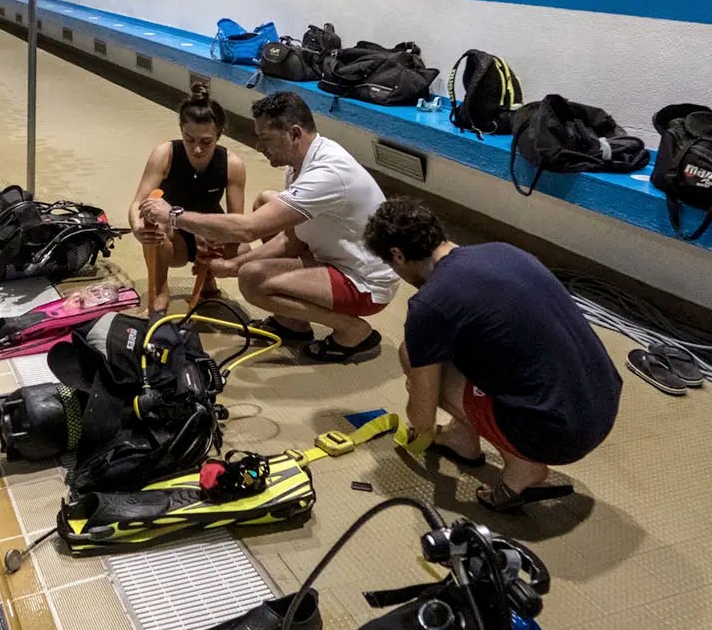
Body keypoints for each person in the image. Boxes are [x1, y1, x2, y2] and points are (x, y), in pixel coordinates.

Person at [363, 197, 622, 512]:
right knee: (441, 350)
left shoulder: (429, 304)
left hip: (562, 433)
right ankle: (462, 439)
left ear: (397, 255)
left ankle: (524, 469)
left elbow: (423, 418)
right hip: (603, 401)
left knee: (413, 356)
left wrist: (418, 416)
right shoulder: (504, 251)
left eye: (392, 265)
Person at [140, 91, 401, 363]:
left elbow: (248, 230)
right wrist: (232, 264)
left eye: (265, 138)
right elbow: (292, 239)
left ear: (294, 134)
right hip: (338, 259)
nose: (258, 147)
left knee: (253, 278)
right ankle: (292, 324)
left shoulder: (327, 173)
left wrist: (174, 215)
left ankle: (353, 330)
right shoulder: (299, 165)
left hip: (364, 283)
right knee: (267, 200)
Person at [128, 82, 248, 314]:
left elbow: (238, 223)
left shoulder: (233, 165)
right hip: (174, 238)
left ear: (219, 135)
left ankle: (208, 277)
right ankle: (161, 288)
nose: (197, 150)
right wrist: (137, 228)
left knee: (245, 252)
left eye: (206, 142)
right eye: (189, 139)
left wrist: (220, 244)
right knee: (153, 223)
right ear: (181, 131)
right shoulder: (164, 154)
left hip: (209, 235)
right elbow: (137, 203)